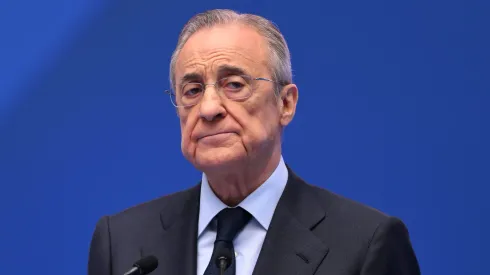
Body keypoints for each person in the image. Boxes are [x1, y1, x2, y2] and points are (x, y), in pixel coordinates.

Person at [88, 9, 420, 275]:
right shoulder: (122, 243)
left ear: (285, 103)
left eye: (234, 85)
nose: (208, 108)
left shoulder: (365, 245)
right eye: (192, 91)